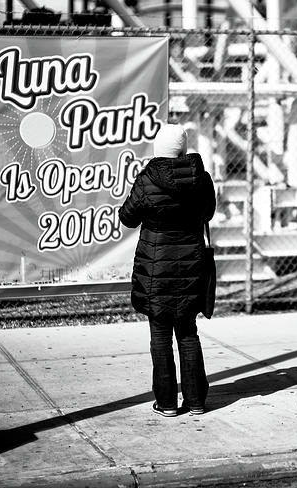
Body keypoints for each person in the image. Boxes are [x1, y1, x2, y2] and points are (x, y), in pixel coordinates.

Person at [119, 123, 216, 417]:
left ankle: (166, 403)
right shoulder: (202, 179)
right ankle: (196, 401)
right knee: (188, 333)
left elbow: (127, 218)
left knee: (160, 335)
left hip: (155, 270)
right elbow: (208, 212)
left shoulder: (147, 180)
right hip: (191, 267)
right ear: (184, 148)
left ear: (158, 149)